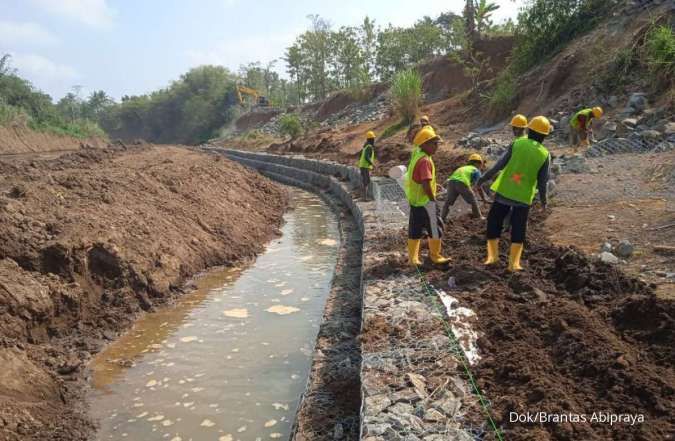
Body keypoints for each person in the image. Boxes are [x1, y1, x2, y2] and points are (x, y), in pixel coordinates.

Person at [477, 116, 552, 272]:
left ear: (529, 130)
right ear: (544, 136)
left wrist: (483, 178)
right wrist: (544, 201)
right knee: (519, 229)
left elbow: (499, 165)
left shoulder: (517, 143)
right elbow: (542, 182)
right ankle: (514, 264)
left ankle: (492, 257)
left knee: (494, 223)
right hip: (523, 198)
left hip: (504, 192)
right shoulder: (545, 154)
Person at [404, 125, 450, 266]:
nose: (437, 146)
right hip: (425, 202)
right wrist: (432, 199)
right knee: (435, 228)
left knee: (415, 229)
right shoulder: (425, 161)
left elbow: (420, 180)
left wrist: (434, 186)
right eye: (434, 143)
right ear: (425, 144)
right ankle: (435, 256)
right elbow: (425, 183)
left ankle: (413, 259)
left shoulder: (418, 155)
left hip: (415, 201)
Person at [440, 153, 489, 221]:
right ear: (477, 163)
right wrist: (483, 199)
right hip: (462, 183)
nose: (481, 166)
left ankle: (442, 217)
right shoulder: (476, 170)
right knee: (473, 200)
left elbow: (453, 178)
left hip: (451, 182)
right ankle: (479, 216)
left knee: (448, 202)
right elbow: (478, 187)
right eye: (481, 164)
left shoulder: (462, 168)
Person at [358, 131, 376, 200]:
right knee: (366, 181)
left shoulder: (366, 146)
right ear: (371, 139)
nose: (374, 140)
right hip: (365, 166)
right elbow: (366, 156)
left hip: (363, 166)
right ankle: (364, 198)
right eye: (373, 139)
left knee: (366, 181)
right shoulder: (369, 147)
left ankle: (364, 196)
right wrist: (372, 163)